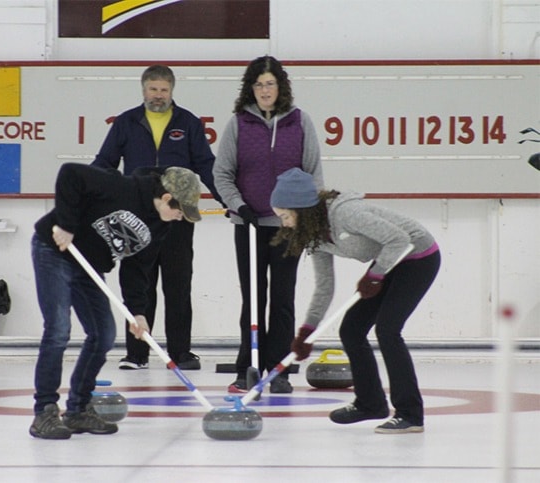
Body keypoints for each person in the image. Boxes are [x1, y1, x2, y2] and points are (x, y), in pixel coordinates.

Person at [29, 163, 203, 439]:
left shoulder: (160, 226)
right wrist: (66, 223)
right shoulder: (122, 187)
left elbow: (138, 267)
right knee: (58, 329)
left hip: (89, 267)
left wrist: (138, 312)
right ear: (168, 198)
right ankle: (45, 411)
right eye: (179, 211)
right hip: (55, 250)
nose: (180, 218)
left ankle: (77, 410)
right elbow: (69, 173)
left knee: (104, 335)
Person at [270, 167, 441, 434]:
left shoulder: (346, 214)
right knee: (351, 329)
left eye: (286, 216)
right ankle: (370, 403)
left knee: (388, 329)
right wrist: (307, 331)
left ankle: (410, 414)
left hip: (418, 256)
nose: (285, 224)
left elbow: (400, 239)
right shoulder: (314, 234)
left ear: (302, 210)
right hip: (388, 261)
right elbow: (324, 286)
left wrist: (375, 275)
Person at [92, 64, 221, 371]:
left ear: (172, 91)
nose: (158, 95)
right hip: (137, 217)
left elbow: (206, 164)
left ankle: (181, 353)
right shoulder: (126, 122)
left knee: (178, 284)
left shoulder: (188, 123)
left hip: (178, 216)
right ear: (143, 90)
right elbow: (105, 162)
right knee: (139, 283)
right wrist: (91, 194)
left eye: (164, 90)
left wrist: (230, 200)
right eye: (153, 89)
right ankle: (137, 354)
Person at [213, 55, 324, 394]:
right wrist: (238, 206)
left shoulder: (300, 122)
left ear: (281, 87)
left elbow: (314, 175)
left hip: (288, 227)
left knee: (283, 297)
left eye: (270, 83)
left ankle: (280, 369)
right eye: (259, 84)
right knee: (253, 297)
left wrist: (303, 217)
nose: (265, 90)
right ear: (251, 88)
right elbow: (222, 173)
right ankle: (248, 365)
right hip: (248, 224)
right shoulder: (238, 124)